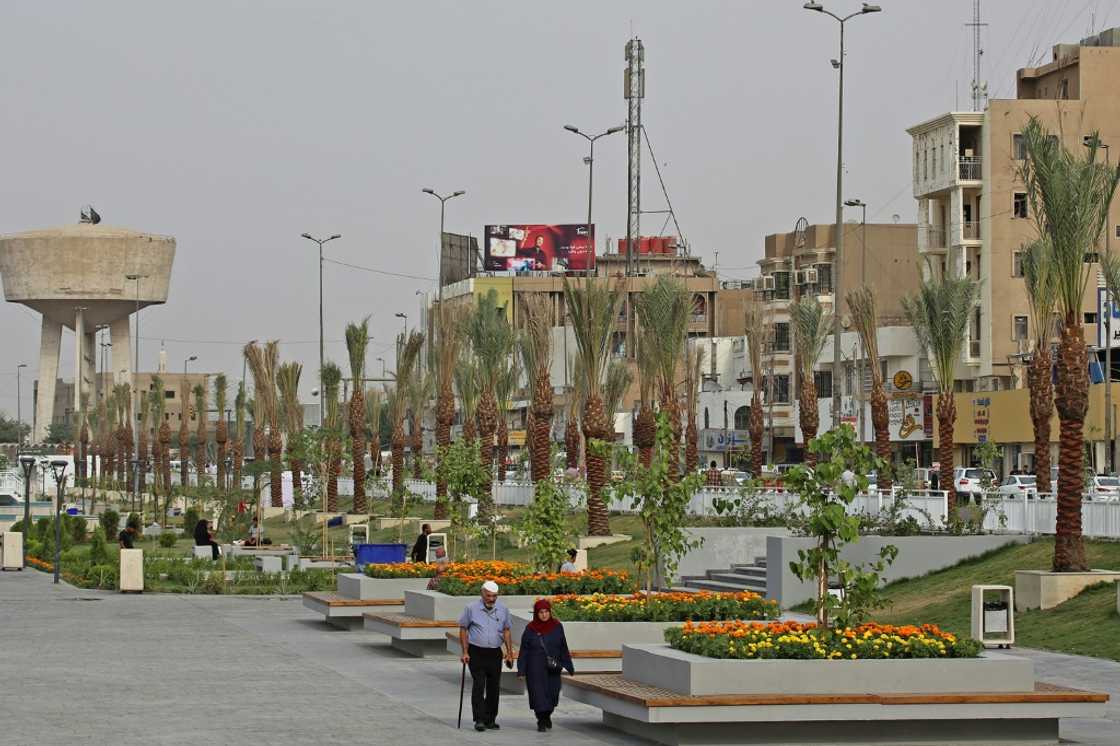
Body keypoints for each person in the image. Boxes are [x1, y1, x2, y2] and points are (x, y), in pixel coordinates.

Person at [458, 580, 514, 732]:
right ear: (482, 593)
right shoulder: (471, 608)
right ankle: (479, 719)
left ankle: (490, 719)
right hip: (476, 652)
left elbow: (507, 630)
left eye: (494, 596)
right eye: (489, 596)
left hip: (495, 652)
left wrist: (509, 653)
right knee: (479, 685)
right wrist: (464, 652)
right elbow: (463, 629)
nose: (491, 599)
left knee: (494, 687)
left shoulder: (503, 609)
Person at [517, 599, 574, 732]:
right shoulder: (530, 629)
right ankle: (541, 720)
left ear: (550, 612)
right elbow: (524, 650)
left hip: (553, 667)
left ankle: (547, 715)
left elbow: (563, 647)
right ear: (536, 613)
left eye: (546, 612)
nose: (544, 615)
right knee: (538, 695)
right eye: (541, 612)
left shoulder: (557, 626)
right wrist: (521, 670)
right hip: (534, 667)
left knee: (553, 694)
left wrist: (568, 665)